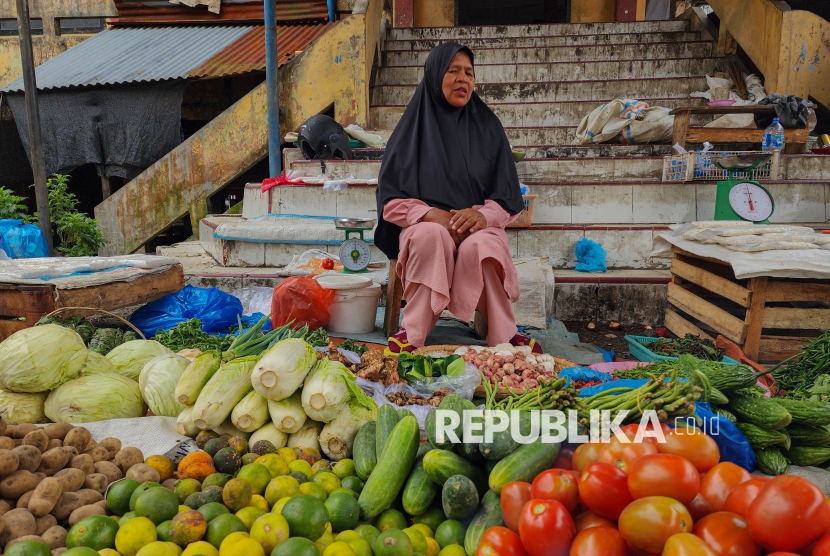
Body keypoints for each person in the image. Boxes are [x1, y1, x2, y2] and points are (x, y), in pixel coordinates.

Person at [374, 42, 541, 354]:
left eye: (469, 73)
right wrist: (430, 215)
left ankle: (504, 336)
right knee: (430, 236)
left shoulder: (489, 127)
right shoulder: (412, 130)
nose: (463, 79)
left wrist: (483, 216)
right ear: (436, 75)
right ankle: (412, 333)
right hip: (425, 225)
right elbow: (390, 202)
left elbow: (506, 197)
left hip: (477, 226)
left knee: (485, 244)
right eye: (453, 71)